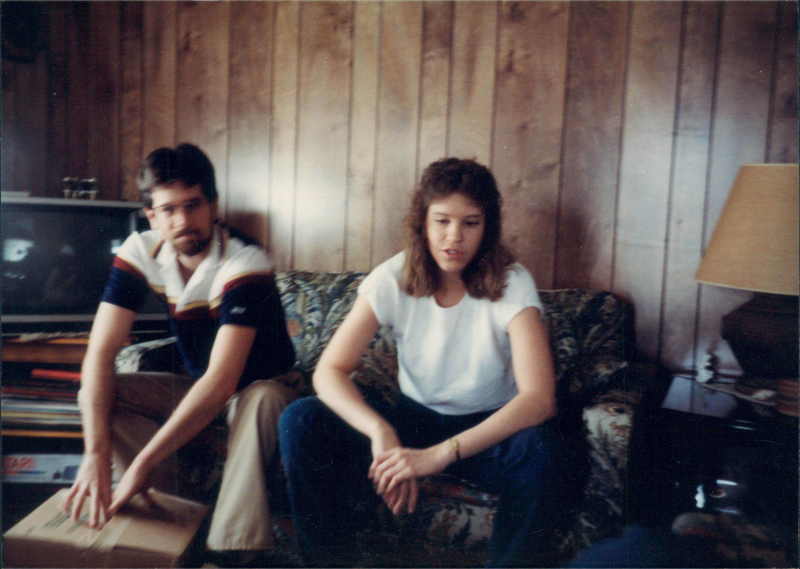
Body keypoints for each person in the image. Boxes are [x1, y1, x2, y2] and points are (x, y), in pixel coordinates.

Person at [279, 157, 561, 568]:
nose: (454, 237)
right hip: (412, 420)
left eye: (470, 223)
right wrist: (381, 433)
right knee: (301, 419)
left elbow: (539, 399)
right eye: (442, 221)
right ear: (422, 223)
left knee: (545, 450)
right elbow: (329, 371)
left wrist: (438, 455)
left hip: (488, 433)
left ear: (487, 228)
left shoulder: (513, 282)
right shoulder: (392, 276)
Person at [63, 143, 298, 568]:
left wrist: (143, 461)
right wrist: (95, 453)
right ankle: (173, 526)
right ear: (150, 215)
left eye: (193, 206)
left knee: (262, 398)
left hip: (262, 388)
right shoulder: (139, 251)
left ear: (213, 206)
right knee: (104, 391)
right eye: (168, 210)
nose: (183, 221)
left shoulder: (245, 259)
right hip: (197, 386)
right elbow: (100, 352)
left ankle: (229, 553)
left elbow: (223, 381)